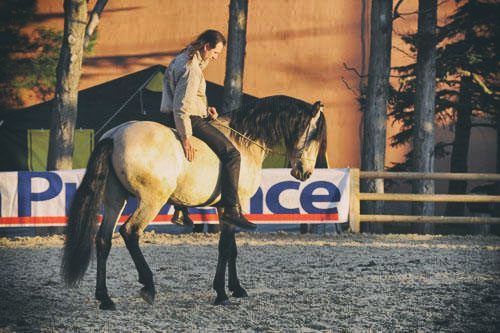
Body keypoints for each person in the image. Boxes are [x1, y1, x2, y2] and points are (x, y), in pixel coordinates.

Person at [160, 29, 256, 230]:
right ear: (206, 47)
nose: (215, 57)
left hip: (176, 115)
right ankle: (230, 209)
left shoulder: (181, 57)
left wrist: (205, 109)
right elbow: (182, 107)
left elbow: (183, 97)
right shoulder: (192, 69)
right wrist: (186, 137)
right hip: (189, 120)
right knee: (232, 155)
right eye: (215, 53)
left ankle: (180, 208)